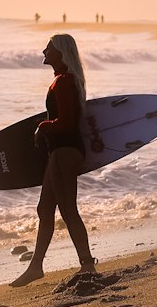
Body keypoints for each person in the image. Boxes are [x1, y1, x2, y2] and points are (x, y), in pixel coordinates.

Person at [11, 33, 95, 286]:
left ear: (60, 52)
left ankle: (88, 263)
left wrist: (43, 126)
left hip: (64, 152)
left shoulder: (64, 81)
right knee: (45, 209)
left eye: (48, 48)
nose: (44, 51)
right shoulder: (65, 80)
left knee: (68, 209)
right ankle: (35, 267)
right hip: (62, 152)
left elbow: (67, 122)